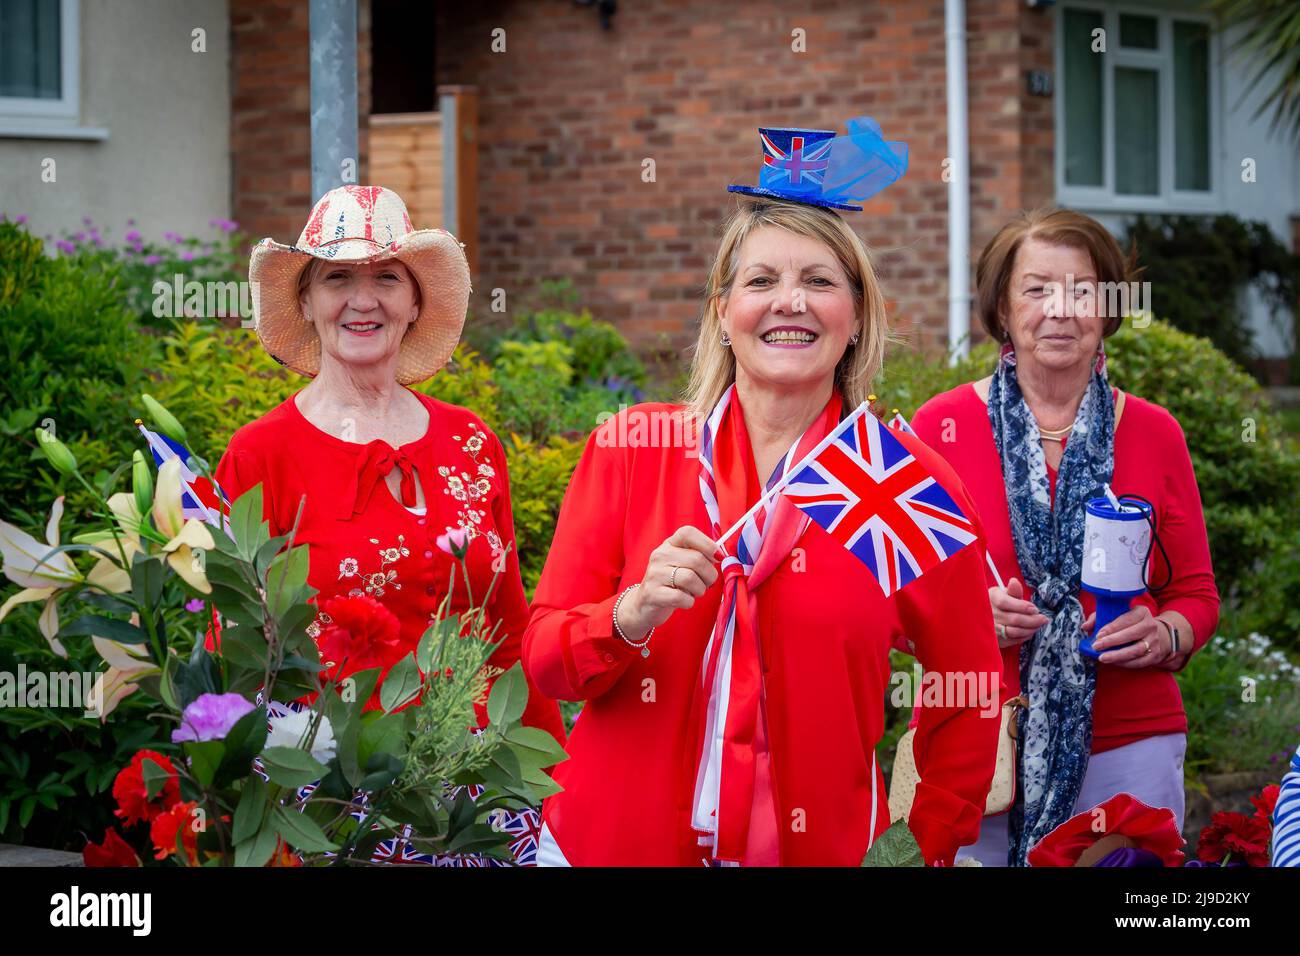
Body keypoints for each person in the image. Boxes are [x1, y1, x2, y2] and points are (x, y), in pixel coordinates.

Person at [523, 120, 1003, 866]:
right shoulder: (634, 449)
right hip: (614, 845)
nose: (792, 303)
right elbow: (547, 662)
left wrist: (925, 840)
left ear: (855, 318)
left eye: (819, 281)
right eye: (761, 281)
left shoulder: (900, 482)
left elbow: (968, 684)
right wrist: (628, 615)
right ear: (723, 312)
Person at [214, 184, 565, 865]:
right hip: (332, 795)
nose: (363, 299)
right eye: (337, 278)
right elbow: (231, 644)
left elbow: (510, 624)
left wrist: (551, 776)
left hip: (478, 791)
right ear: (308, 302)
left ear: (414, 303)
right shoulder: (260, 455)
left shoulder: (472, 442)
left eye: (386, 278)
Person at [910, 207, 1220, 866]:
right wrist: (961, 621)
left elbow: (1196, 593)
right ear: (1001, 308)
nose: (1061, 309)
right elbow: (893, 599)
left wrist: (1166, 633)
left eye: (1082, 290)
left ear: (1107, 308)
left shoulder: (1155, 431)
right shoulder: (939, 428)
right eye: (1037, 289)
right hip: (976, 745)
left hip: (1128, 745)